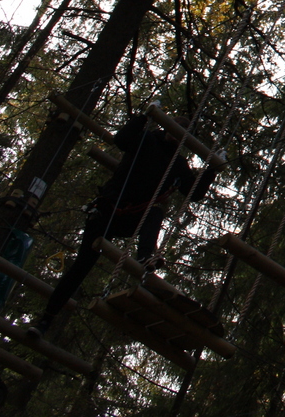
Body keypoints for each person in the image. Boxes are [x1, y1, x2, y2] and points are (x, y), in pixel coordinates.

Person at [35, 111, 215, 332]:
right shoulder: (146, 139)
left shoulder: (177, 163)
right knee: (82, 265)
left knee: (155, 213)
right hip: (106, 212)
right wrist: (142, 117)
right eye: (175, 130)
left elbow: (193, 193)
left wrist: (212, 170)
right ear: (167, 128)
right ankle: (47, 317)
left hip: (132, 218)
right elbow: (121, 140)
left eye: (183, 135)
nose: (176, 137)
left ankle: (145, 256)